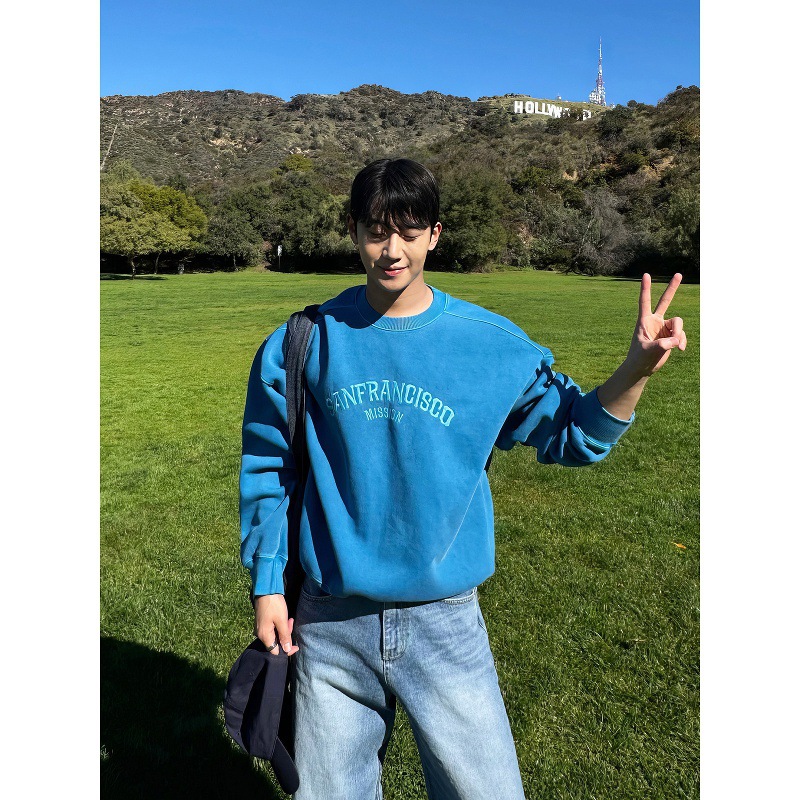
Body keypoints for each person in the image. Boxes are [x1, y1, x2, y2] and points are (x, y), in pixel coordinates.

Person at [239, 158, 687, 799]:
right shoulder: (301, 344)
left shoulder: (491, 346)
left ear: (435, 235)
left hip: (445, 625)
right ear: (353, 230)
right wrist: (267, 586)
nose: (392, 250)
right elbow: (268, 468)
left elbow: (575, 434)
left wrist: (636, 367)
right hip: (330, 621)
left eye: (409, 232)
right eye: (376, 231)